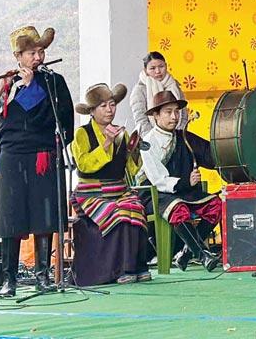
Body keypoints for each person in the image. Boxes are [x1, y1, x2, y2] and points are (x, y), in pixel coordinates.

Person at [0, 26, 74, 297]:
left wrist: (33, 87)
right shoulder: (7, 81)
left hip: (42, 154)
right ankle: (10, 279)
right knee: (11, 217)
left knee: (44, 216)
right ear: (18, 55)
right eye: (32, 52)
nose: (38, 57)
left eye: (41, 51)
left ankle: (42, 276)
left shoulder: (54, 81)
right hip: (12, 155)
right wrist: (5, 85)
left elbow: (65, 119)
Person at [69, 82, 149, 286]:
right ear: (92, 111)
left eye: (112, 105)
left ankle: (138, 267)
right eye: (103, 106)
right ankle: (121, 270)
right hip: (91, 193)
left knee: (135, 209)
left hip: (119, 190)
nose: (109, 110)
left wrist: (136, 151)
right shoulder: (82, 134)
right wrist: (105, 144)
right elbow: (84, 165)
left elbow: (131, 169)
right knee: (118, 214)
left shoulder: (122, 133)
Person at [137, 90, 222, 272]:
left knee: (216, 204)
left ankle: (186, 252)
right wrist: (186, 182)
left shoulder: (184, 137)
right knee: (178, 208)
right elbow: (158, 180)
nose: (174, 117)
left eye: (177, 111)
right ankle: (202, 254)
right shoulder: (148, 143)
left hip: (184, 193)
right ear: (155, 115)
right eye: (168, 112)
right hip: (155, 196)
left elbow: (209, 154)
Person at [126, 51, 188, 137]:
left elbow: (183, 115)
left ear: (166, 66)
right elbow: (141, 120)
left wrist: (178, 136)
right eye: (152, 68)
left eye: (161, 66)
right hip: (150, 140)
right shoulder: (140, 90)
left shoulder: (174, 86)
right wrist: (154, 140)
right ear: (145, 70)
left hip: (176, 138)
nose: (158, 71)